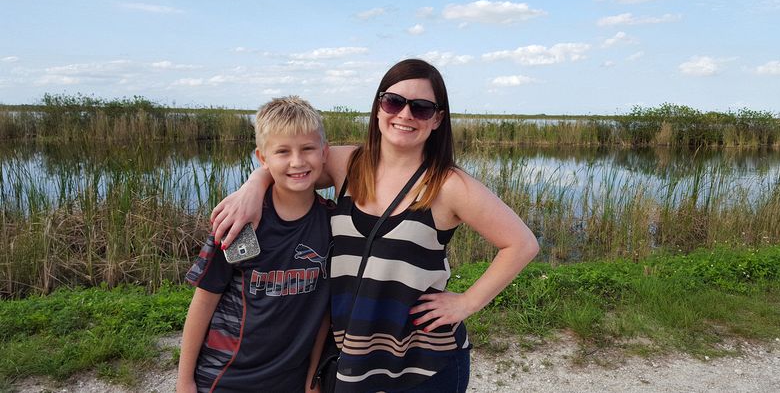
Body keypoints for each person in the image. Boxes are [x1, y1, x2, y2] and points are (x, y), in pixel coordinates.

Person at [211, 59, 539, 392]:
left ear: (438, 118)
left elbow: (521, 244)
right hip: (353, 358)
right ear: (379, 108)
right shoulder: (346, 164)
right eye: (394, 101)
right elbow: (293, 164)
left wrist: (466, 302)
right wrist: (253, 185)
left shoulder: (448, 185)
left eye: (422, 108)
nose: (405, 114)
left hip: (424, 365)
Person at [178, 96, 334, 393]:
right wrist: (184, 381)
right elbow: (204, 301)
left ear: (324, 152)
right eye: (283, 151)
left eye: (308, 149)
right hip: (228, 378)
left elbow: (324, 311)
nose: (297, 161)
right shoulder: (242, 222)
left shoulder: (331, 225)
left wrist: (313, 377)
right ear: (262, 159)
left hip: (291, 379)